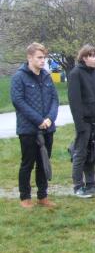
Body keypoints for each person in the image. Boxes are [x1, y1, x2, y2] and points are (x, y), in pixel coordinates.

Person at [11, 43, 59, 208]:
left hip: (48, 128)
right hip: (28, 129)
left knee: (43, 162)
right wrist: (39, 120)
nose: (42, 60)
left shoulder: (46, 76)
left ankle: (42, 196)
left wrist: (50, 119)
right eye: (39, 57)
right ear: (29, 58)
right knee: (28, 163)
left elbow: (55, 99)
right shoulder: (19, 77)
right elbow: (18, 102)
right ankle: (25, 197)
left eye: (44, 57)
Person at [68, 45, 95, 198]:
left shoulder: (94, 73)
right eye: (92, 56)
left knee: (93, 152)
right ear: (84, 58)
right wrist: (80, 125)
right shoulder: (76, 73)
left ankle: (91, 184)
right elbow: (75, 102)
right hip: (84, 121)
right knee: (80, 152)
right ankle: (78, 186)